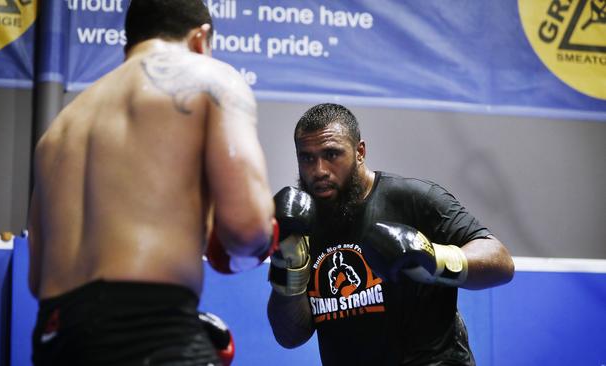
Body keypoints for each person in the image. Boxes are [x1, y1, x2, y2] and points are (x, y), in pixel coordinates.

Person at [27, 1, 277, 364]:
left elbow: (36, 280)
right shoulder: (210, 78)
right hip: (149, 329)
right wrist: (261, 244)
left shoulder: (59, 130)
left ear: (129, 42)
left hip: (54, 335)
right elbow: (246, 229)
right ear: (201, 39)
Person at [267, 103, 514, 365]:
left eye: (332, 154)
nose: (319, 170)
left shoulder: (413, 199)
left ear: (359, 152)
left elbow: (500, 261)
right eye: (307, 158)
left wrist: (435, 259)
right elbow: (290, 336)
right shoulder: (300, 223)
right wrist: (289, 266)